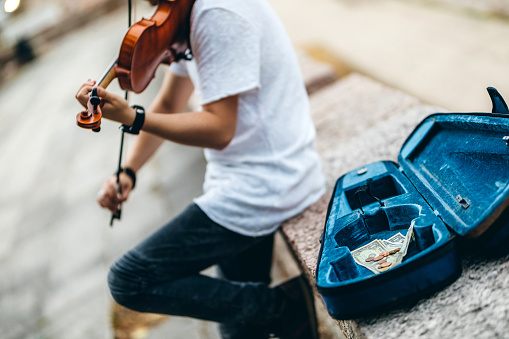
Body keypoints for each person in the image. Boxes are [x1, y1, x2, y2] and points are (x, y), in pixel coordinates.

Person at [75, 0, 325, 338]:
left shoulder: (216, 14)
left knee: (129, 279)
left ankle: (285, 307)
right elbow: (169, 102)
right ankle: (289, 319)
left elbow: (220, 130)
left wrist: (133, 117)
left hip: (266, 182)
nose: (150, 6)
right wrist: (128, 171)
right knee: (238, 331)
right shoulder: (185, 12)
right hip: (243, 178)